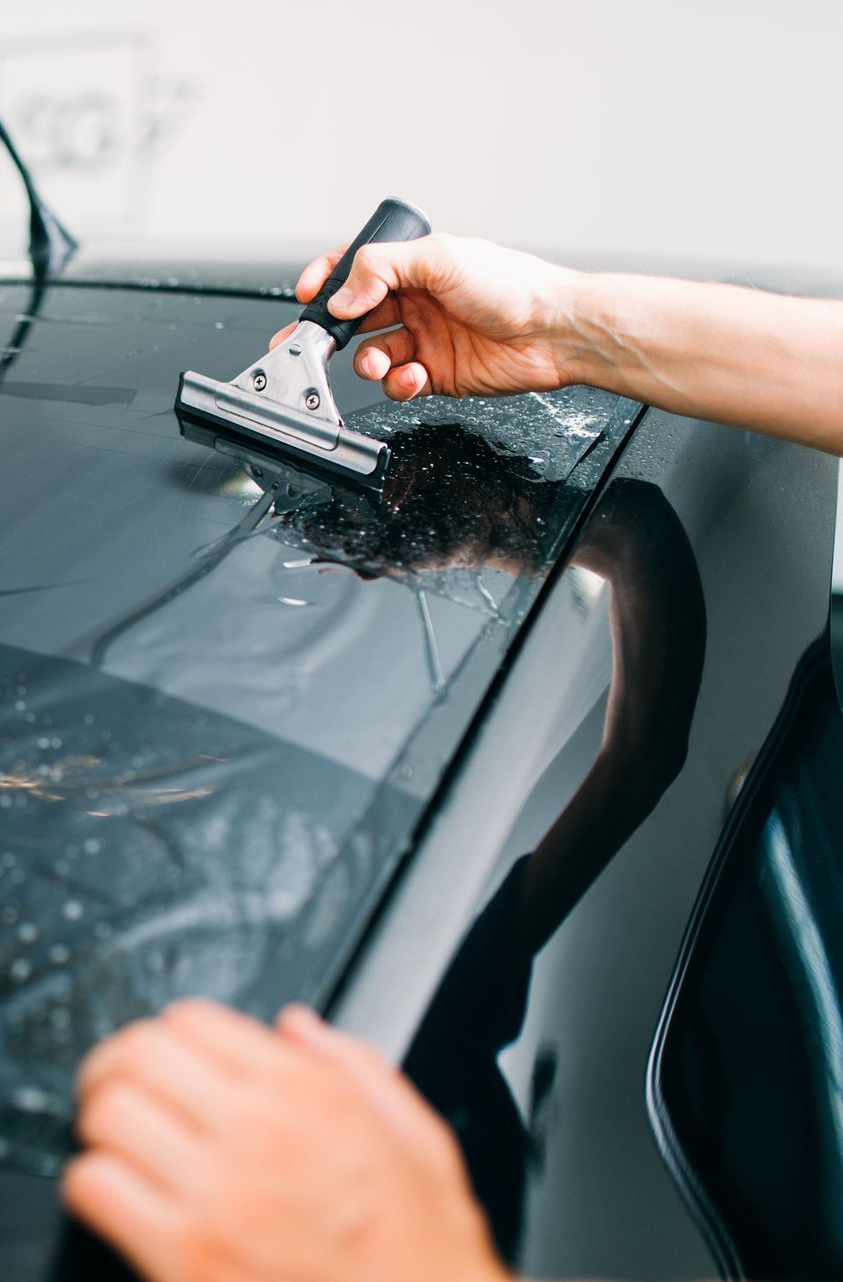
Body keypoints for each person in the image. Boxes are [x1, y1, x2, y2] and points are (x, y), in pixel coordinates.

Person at [61, 232, 843, 1282]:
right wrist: (555, 378)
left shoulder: (430, 975)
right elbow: (645, 732)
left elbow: (646, 749)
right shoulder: (453, 963)